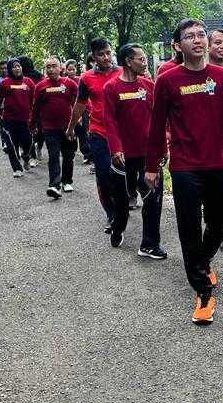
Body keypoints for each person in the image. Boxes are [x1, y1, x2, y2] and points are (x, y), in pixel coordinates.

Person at [145, 19, 223, 326]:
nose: (198, 40)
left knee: (218, 224)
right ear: (178, 45)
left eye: (201, 34)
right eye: (189, 36)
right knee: (189, 229)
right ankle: (203, 291)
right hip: (185, 166)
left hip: (219, 163)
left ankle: (201, 262)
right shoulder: (168, 80)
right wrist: (151, 167)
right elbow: (156, 124)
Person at [103, 43, 166, 259]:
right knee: (121, 202)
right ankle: (118, 227)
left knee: (153, 198)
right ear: (128, 61)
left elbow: (159, 121)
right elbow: (109, 121)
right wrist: (116, 148)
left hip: (149, 155)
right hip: (123, 157)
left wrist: (163, 147)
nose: (145, 61)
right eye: (141, 58)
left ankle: (149, 244)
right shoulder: (111, 88)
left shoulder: (149, 86)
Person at [67, 38, 122, 230]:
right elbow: (80, 105)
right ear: (94, 57)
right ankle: (111, 214)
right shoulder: (87, 79)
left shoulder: (123, 72)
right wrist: (71, 127)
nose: (106, 57)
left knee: (124, 176)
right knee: (104, 175)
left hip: (124, 133)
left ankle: (123, 203)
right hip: (99, 132)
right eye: (101, 54)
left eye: (108, 52)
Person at [33, 56, 79, 198]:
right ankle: (54, 185)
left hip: (68, 128)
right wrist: (32, 124)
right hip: (49, 128)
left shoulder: (70, 84)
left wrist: (79, 119)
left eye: (54, 66)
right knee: (53, 156)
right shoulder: (40, 86)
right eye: (48, 67)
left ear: (60, 68)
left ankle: (67, 181)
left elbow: (79, 102)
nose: (51, 69)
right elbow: (35, 108)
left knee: (68, 155)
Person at [0, 58, 35, 178]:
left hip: (25, 120)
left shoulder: (28, 82)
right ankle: (17, 168)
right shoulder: (5, 83)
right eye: (14, 67)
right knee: (12, 145)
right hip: (9, 120)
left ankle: (26, 156)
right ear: (9, 69)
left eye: (18, 66)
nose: (17, 68)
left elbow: (36, 99)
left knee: (28, 142)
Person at [19, 55, 45, 166]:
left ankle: (35, 152)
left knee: (35, 132)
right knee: (37, 132)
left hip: (33, 108)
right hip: (34, 108)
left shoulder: (28, 77)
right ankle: (36, 151)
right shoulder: (39, 76)